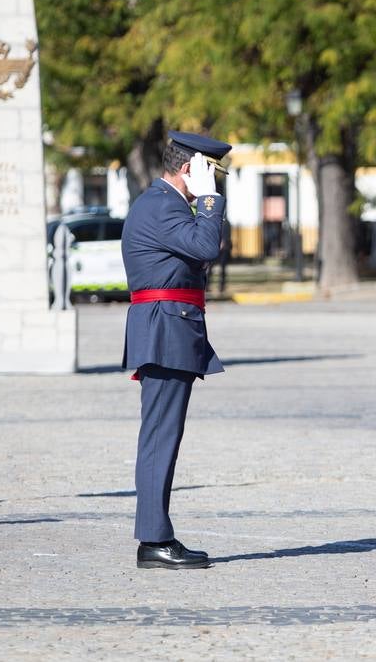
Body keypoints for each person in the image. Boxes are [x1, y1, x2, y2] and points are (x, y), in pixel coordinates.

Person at [121, 131, 229, 571]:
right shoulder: (163, 204)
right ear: (191, 168)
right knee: (160, 436)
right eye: (210, 172)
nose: (214, 183)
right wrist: (209, 201)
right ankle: (154, 539)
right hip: (165, 332)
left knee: (163, 434)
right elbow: (206, 246)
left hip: (170, 329)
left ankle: (156, 535)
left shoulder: (164, 205)